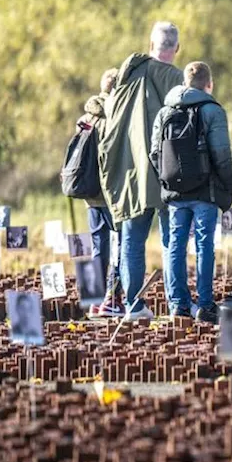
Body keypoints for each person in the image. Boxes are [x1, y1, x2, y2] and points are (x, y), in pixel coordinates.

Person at [98, 22, 185, 321]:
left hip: (132, 172)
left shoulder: (127, 75)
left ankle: (133, 306)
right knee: (172, 242)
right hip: (168, 173)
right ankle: (177, 305)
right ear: (177, 48)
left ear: (150, 45)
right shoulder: (176, 78)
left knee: (131, 241)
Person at [149, 61, 232, 324]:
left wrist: (169, 179)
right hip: (205, 191)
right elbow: (222, 154)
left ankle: (178, 305)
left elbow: (155, 153)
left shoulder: (165, 111)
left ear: (185, 83)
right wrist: (228, 184)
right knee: (204, 245)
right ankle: (206, 305)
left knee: (175, 246)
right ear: (209, 84)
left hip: (175, 192)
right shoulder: (212, 110)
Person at [81, 69, 125, 317]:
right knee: (120, 246)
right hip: (111, 194)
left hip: (90, 195)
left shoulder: (85, 117)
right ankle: (113, 300)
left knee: (98, 249)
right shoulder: (113, 118)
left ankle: (93, 301)